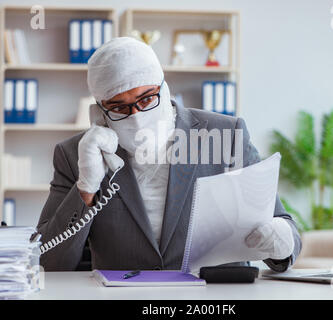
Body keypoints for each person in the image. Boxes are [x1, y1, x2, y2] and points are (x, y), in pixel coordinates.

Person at [36, 37, 301, 272]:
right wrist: (86, 187)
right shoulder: (74, 155)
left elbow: (284, 225)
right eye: (118, 106)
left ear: (164, 89)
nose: (136, 117)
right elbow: (48, 262)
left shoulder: (226, 134)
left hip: (215, 298)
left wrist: (282, 242)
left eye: (146, 99)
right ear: (99, 113)